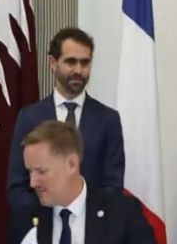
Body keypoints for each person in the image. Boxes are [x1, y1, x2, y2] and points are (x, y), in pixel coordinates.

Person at [8, 120, 170, 244]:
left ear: (72, 164)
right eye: (29, 172)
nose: (32, 182)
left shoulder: (121, 212)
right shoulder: (26, 217)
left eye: (41, 172)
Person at [7, 27, 124, 208]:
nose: (79, 70)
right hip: (42, 220)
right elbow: (17, 186)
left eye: (85, 63)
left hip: (93, 221)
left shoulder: (108, 120)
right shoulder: (29, 118)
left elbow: (113, 185)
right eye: (71, 62)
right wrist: (49, 216)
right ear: (53, 63)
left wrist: (82, 215)